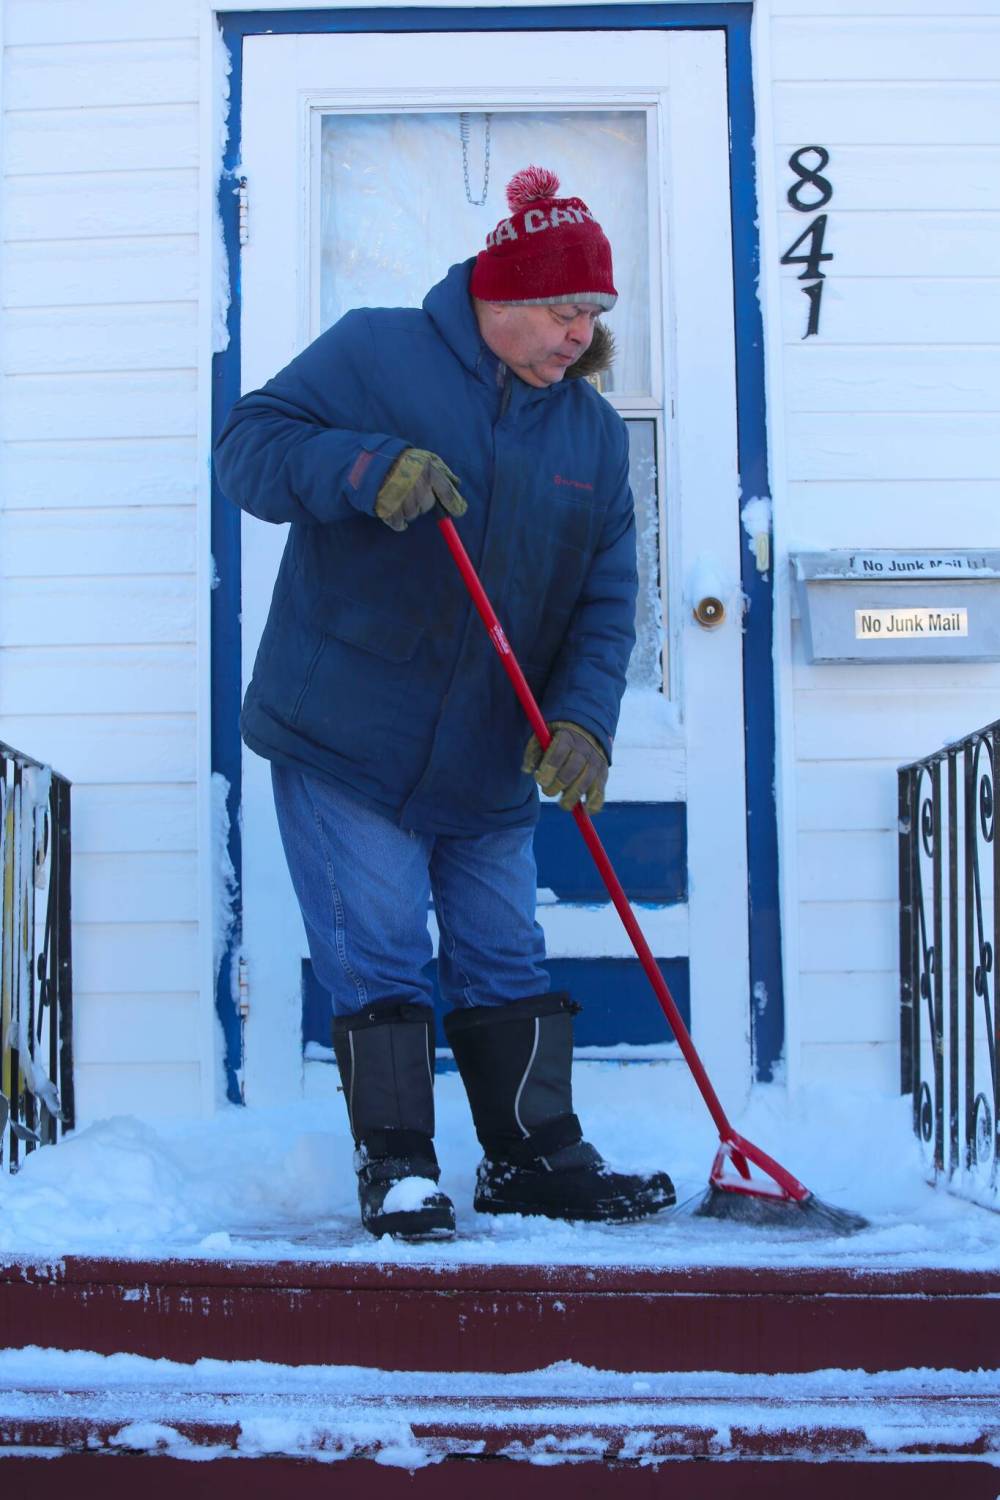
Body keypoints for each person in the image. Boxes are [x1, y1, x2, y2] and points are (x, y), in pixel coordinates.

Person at [214, 165, 675, 1240]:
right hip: (345, 732)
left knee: (501, 951)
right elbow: (248, 448)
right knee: (376, 945)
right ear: (498, 296)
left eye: (595, 314)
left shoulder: (591, 438)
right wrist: (363, 467)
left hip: (485, 747)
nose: (580, 334)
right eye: (564, 310)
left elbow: (607, 601)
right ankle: (400, 1169)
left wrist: (582, 722)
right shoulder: (375, 352)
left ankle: (529, 1158)